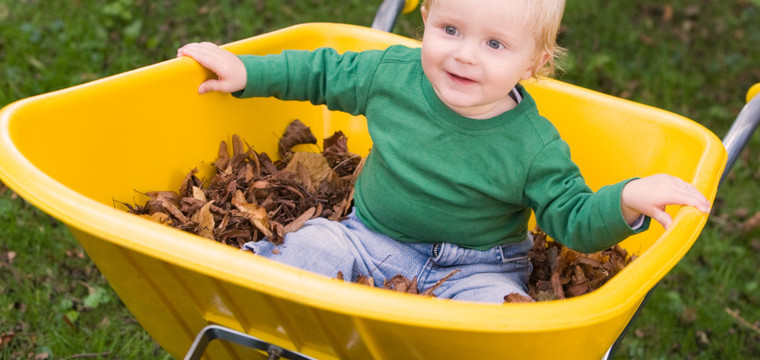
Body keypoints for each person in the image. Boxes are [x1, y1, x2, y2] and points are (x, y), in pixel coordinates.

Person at [176, 0, 711, 303]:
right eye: (450, 29)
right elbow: (322, 72)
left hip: (479, 267)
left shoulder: (533, 145)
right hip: (373, 238)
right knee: (313, 247)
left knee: (502, 321)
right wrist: (248, 72)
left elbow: (572, 219)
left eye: (495, 44)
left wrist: (628, 199)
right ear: (426, 17)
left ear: (535, 63)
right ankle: (265, 315)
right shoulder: (392, 76)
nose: (464, 55)